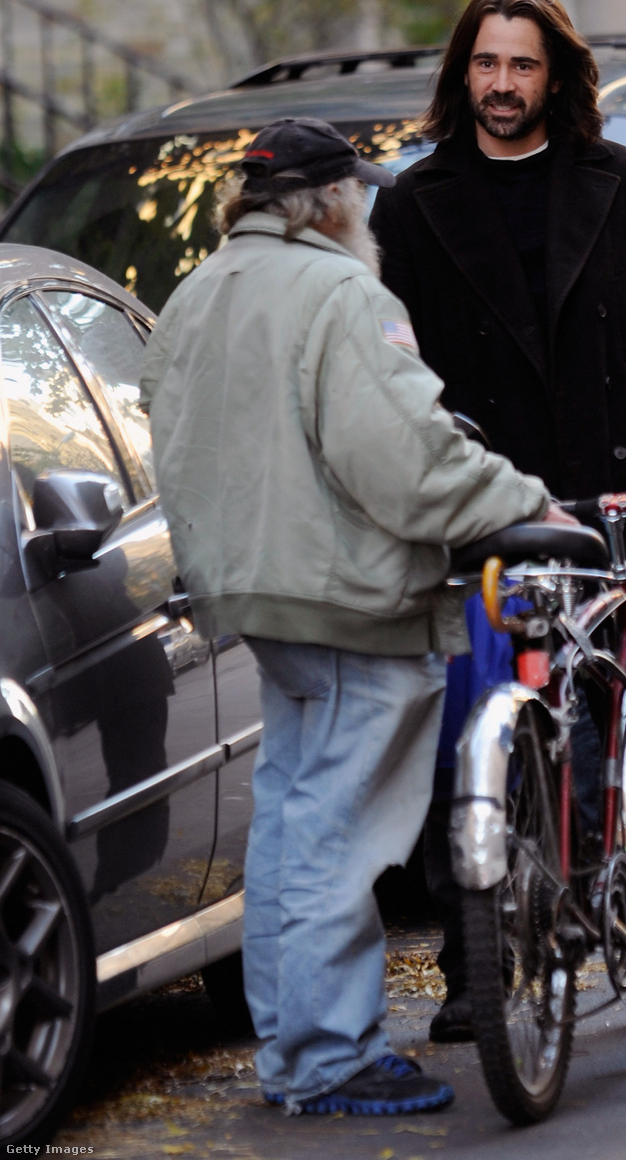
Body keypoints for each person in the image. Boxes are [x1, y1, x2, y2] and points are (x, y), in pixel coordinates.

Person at [139, 116, 573, 1118]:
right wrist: (521, 501)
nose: (369, 212)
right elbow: (406, 458)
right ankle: (329, 1056)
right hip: (351, 598)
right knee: (337, 835)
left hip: (255, 595)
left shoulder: (197, 295)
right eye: (360, 195)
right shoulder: (342, 291)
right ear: (329, 201)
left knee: (293, 824)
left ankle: (297, 1050)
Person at [369, 0, 626, 1043]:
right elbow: (384, 362)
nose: (502, 83)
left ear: (554, 75)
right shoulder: (413, 203)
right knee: (471, 722)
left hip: (606, 499)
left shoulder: (617, 179)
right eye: (485, 63)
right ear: (459, 74)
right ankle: (481, 961)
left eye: (522, 65)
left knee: (621, 718)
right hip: (479, 505)